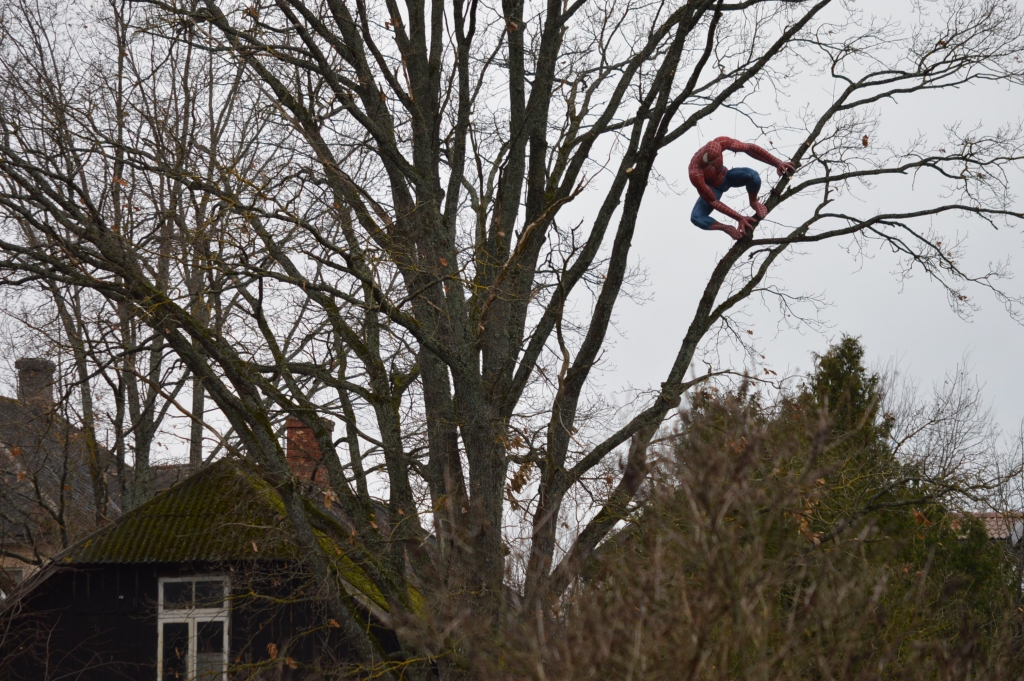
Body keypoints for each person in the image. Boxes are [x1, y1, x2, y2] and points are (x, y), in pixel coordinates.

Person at [688, 137, 796, 239]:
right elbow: (713, 201)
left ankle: (754, 202)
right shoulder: (695, 171)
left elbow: (748, 148)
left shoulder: (720, 142)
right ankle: (726, 228)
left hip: (727, 176)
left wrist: (777, 162)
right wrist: (739, 217)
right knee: (696, 218)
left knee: (753, 176)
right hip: (713, 188)